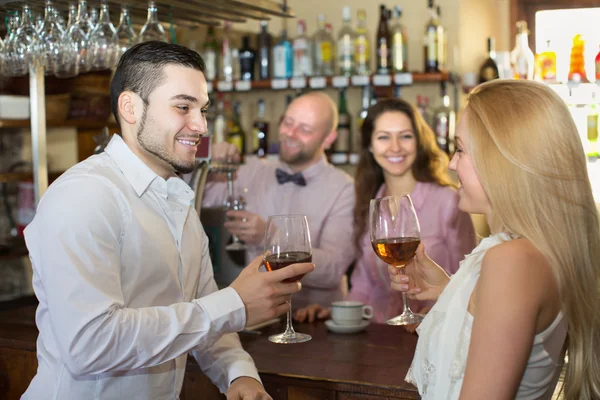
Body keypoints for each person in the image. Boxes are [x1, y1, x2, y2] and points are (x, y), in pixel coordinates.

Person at [21, 41, 314, 400]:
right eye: (182, 107)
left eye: (203, 110)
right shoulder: (83, 196)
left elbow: (202, 313)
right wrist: (235, 304)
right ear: (130, 107)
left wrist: (237, 374)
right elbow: (90, 344)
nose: (201, 125)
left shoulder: (177, 200)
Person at [391, 80, 600, 399]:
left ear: (504, 160)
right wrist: (449, 288)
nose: (451, 163)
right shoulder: (529, 250)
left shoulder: (512, 260)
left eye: (461, 149)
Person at [295, 98, 476, 325]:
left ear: (419, 142)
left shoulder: (449, 202)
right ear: (370, 146)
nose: (395, 147)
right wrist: (336, 312)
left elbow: (470, 279)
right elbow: (363, 285)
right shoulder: (369, 202)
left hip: (434, 332)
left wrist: (436, 316)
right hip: (379, 333)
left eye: (405, 136)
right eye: (383, 137)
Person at [203, 92, 356, 309]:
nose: (290, 134)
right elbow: (200, 196)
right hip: (259, 317)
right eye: (288, 122)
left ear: (329, 138)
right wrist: (206, 156)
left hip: (315, 320)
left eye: (304, 129)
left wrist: (270, 237)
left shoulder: (344, 188)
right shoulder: (255, 170)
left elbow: (333, 269)